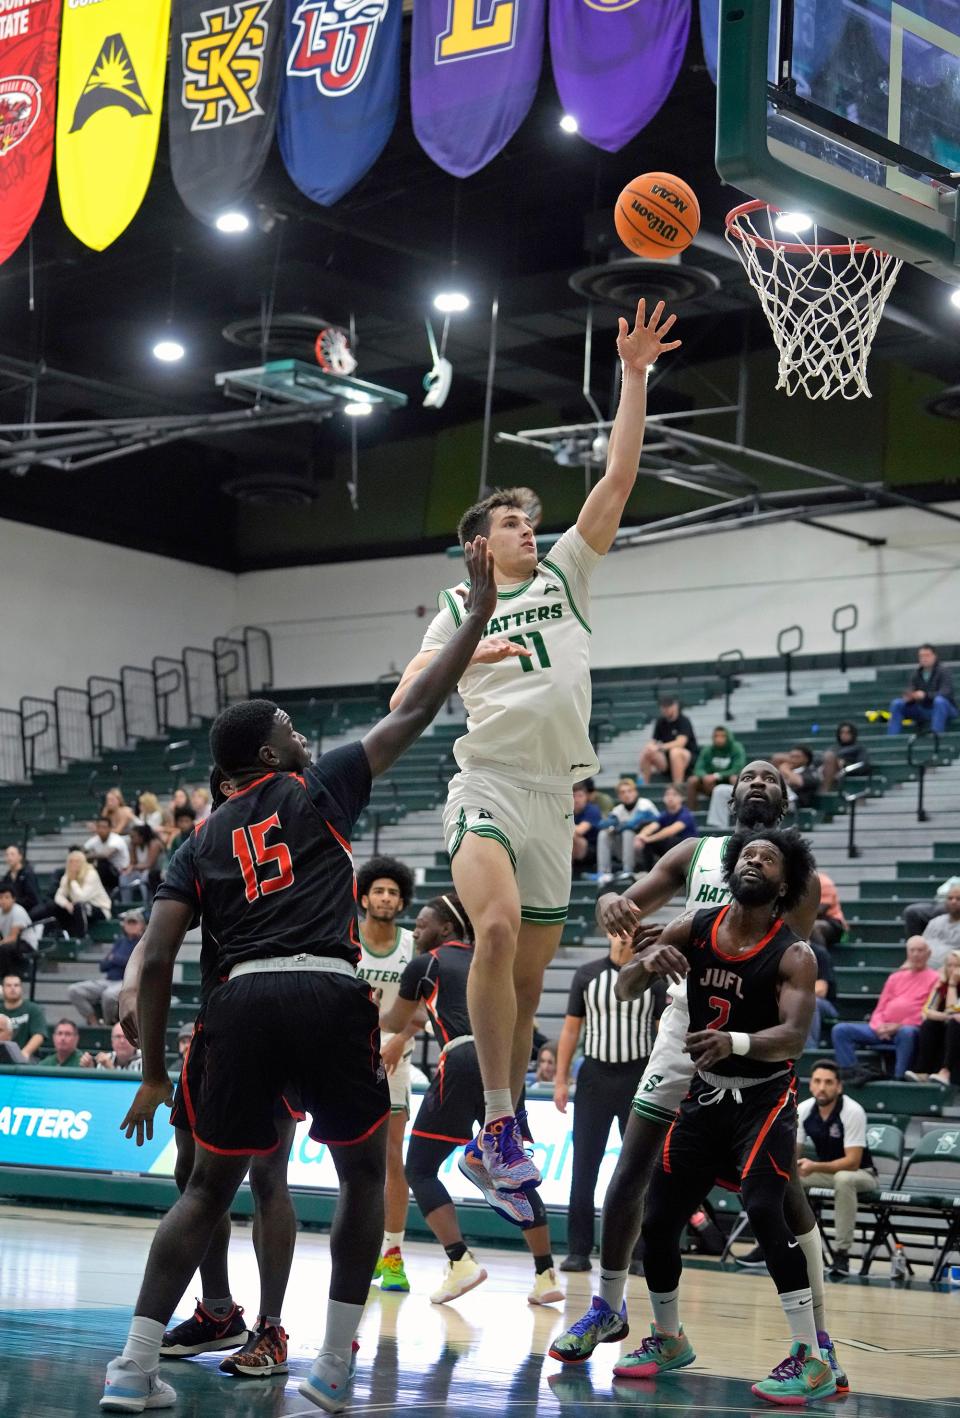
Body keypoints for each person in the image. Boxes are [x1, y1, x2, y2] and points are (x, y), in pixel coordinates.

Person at [100, 536, 500, 1415]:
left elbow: (158, 955)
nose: (299, 730)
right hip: (322, 987)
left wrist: (157, 1070)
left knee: (207, 1187)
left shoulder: (198, 842)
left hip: (236, 1002)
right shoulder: (317, 788)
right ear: (267, 753)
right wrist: (472, 620)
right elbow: (419, 710)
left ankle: (131, 1371)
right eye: (287, 725)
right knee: (362, 1174)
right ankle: (329, 1367)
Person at [388, 301, 681, 1203]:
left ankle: (491, 1140)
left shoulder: (563, 574)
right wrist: (472, 644)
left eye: (530, 522)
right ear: (482, 543)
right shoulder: (454, 603)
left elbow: (619, 478)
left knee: (523, 979)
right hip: (487, 783)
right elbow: (404, 698)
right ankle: (502, 1124)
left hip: (558, 798)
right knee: (500, 928)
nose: (529, 530)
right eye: (514, 523)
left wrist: (632, 376)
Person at [552, 762, 842, 1394]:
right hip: (684, 1027)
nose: (759, 781)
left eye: (772, 777)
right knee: (632, 1174)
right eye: (748, 775)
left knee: (779, 1196)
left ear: (786, 805)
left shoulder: (794, 876)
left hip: (749, 1036)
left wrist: (742, 1034)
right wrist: (610, 904)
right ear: (728, 794)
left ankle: (818, 1338)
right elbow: (628, 908)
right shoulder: (694, 850)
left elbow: (782, 961)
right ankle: (609, 1307)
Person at [120, 769, 300, 1381]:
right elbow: (161, 931)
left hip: (280, 1005)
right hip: (222, 1016)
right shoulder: (206, 842)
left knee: (267, 1174)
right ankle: (219, 1311)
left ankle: (271, 1328)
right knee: (193, 1172)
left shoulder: (299, 818)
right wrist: (129, 980)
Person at [381, 893, 564, 1307]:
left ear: (446, 929)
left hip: (463, 1057)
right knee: (510, 1171)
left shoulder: (426, 963)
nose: (416, 930)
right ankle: (545, 1274)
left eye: (424, 923)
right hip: (505, 1066)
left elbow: (394, 1021)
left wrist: (365, 1011)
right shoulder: (491, 962)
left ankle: (459, 1261)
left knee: (420, 1169)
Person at [555, 932, 665, 1274]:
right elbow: (572, 1029)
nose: (623, 938)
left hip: (637, 1076)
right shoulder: (586, 974)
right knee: (584, 1166)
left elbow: (664, 1032)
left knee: (639, 1168)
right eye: (617, 932)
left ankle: (639, 1252)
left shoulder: (653, 977)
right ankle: (578, 1249)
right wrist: (560, 1079)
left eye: (629, 932)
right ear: (606, 934)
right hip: (594, 1079)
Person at [355, 854, 418, 1295]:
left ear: (401, 902)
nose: (385, 897)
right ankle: (359, 1248)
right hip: (345, 1058)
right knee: (353, 1159)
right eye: (378, 890)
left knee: (392, 1156)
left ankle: (392, 1254)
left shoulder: (413, 944)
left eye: (393, 892)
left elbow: (428, 998)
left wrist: (398, 1037)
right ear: (363, 896)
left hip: (395, 1058)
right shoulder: (345, 936)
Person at [795, 1060, 877, 1278]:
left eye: (828, 1082)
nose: (822, 1087)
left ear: (839, 1086)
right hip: (826, 1173)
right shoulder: (803, 1109)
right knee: (787, 1181)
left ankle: (842, 1253)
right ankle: (785, 1243)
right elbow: (793, 1152)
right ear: (811, 1085)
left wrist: (814, 1166)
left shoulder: (852, 1111)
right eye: (817, 1081)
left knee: (844, 1178)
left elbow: (852, 1162)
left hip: (862, 1174)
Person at [831, 937, 939, 1083]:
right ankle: (850, 1072)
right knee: (841, 1030)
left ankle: (899, 1077)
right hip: (882, 1029)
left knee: (906, 1032)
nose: (916, 954)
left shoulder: (935, 978)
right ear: (907, 953)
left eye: (920, 950)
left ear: (928, 953)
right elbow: (881, 1007)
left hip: (909, 1029)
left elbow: (929, 1010)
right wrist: (879, 1026)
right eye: (912, 950)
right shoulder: (895, 977)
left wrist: (899, 1026)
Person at [68, 909, 145, 1025]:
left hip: (128, 983)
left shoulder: (144, 943)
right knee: (74, 990)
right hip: (108, 980)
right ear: (124, 925)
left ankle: (107, 1025)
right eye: (129, 922)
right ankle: (94, 1022)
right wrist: (120, 960)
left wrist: (115, 959)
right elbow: (103, 966)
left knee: (108, 995)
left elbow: (135, 966)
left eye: (134, 923)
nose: (131, 926)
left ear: (142, 925)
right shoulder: (120, 942)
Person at [905, 951, 960, 1087]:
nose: (952, 969)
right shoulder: (941, 984)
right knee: (929, 1024)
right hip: (948, 1023)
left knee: (954, 1023)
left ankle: (946, 1071)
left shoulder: (951, 985)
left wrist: (953, 985)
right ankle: (923, 1071)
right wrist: (943, 1016)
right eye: (949, 965)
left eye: (956, 966)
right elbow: (927, 1010)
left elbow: (953, 1009)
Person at [887, 643, 957, 736]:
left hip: (944, 709)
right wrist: (910, 697)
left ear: (934, 656)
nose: (924, 658)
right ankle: (892, 738)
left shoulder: (943, 671)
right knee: (897, 703)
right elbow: (910, 689)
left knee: (940, 701)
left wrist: (926, 695)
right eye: (921, 656)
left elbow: (946, 692)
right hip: (923, 709)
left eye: (927, 655)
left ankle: (936, 736)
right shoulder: (916, 674)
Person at [595, 778, 657, 883]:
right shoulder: (618, 809)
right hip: (627, 851)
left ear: (636, 792)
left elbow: (632, 823)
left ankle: (627, 870)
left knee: (627, 832)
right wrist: (613, 825)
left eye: (630, 791)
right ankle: (603, 872)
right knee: (603, 834)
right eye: (623, 792)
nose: (627, 795)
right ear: (619, 796)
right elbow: (602, 824)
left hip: (649, 851)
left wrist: (616, 826)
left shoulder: (645, 804)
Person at [638, 696, 698, 788]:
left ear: (675, 706)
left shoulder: (683, 721)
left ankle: (678, 787)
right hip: (666, 760)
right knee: (648, 751)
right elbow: (653, 741)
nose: (665, 709)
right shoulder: (660, 722)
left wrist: (660, 747)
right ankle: (644, 785)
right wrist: (649, 748)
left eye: (668, 706)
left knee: (675, 752)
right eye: (663, 707)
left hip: (687, 759)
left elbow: (680, 742)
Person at [634, 785, 698, 870]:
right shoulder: (665, 814)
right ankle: (648, 871)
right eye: (667, 794)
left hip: (689, 849)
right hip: (673, 849)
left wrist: (648, 839)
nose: (670, 797)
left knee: (670, 840)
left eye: (674, 795)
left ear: (681, 798)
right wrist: (641, 836)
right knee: (648, 838)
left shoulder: (686, 814)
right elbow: (652, 826)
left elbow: (671, 831)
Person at [53, 849, 111, 937]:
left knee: (79, 906)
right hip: (78, 908)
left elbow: (81, 898)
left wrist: (73, 881)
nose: (73, 864)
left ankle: (82, 936)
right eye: (71, 861)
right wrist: (66, 904)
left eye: (77, 861)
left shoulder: (91, 874)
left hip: (99, 909)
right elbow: (58, 896)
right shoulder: (67, 876)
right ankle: (63, 934)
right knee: (57, 906)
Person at [685, 725, 745, 810]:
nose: (719, 739)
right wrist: (704, 776)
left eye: (722, 736)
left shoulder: (736, 748)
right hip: (709, 785)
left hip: (727, 783)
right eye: (716, 736)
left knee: (734, 778)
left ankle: (738, 809)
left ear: (728, 737)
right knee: (692, 780)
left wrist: (716, 776)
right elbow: (698, 768)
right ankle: (692, 812)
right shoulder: (707, 750)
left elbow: (737, 768)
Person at [0, 972, 48, 1058]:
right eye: (8, 985)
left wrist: (25, 1053)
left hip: (28, 1059)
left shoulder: (33, 1009)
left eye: (16, 985)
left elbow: (39, 1035)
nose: (13, 988)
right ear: (2, 989)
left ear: (21, 988)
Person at [902, 871, 960, 940]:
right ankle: (916, 946)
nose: (953, 901)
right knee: (912, 912)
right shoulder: (954, 882)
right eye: (950, 898)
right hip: (940, 904)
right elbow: (942, 892)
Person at [117, 824, 164, 903]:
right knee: (123, 877)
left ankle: (146, 904)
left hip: (155, 873)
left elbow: (149, 864)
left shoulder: (154, 844)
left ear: (141, 837)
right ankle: (126, 904)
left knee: (144, 877)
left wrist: (133, 867)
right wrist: (127, 869)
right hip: (140, 871)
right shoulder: (133, 845)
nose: (131, 839)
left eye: (133, 837)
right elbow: (133, 862)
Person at [83, 817, 131, 894]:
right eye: (99, 827)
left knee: (102, 864)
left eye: (104, 827)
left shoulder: (116, 839)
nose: (101, 830)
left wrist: (86, 856)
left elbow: (105, 855)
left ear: (110, 828)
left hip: (120, 873)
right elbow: (81, 851)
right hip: (105, 872)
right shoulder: (95, 840)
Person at [0, 884, 39, 976]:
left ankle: (7, 976)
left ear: (13, 899)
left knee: (4, 948)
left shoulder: (18, 911)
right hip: (10, 943)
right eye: (1, 898)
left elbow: (13, 937)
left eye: (7, 897)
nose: (3, 901)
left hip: (26, 944)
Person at [807, 937, 838, 1049]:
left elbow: (821, 991)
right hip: (792, 1001)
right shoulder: (783, 952)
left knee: (810, 1001)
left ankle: (810, 1049)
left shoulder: (819, 953)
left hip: (826, 1005)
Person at [820, 722, 870, 791]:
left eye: (847, 733)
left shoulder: (859, 748)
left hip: (844, 773)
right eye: (842, 733)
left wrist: (845, 765)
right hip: (826, 770)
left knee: (829, 757)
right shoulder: (833, 748)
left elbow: (863, 765)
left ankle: (825, 791)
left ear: (853, 734)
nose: (844, 735)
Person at [921, 886, 960, 969]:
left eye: (958, 899)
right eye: (950, 898)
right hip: (923, 971)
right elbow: (920, 947)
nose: (953, 901)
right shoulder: (935, 922)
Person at [0, 843, 42, 914]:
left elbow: (32, 899)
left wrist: (12, 902)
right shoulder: (7, 876)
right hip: (12, 911)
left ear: (20, 856)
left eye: (12, 854)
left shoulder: (27, 873)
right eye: (7, 855)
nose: (9, 857)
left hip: (29, 911)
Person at [810, 871, 846, 953]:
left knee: (814, 927)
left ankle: (822, 961)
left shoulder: (824, 882)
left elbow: (820, 910)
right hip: (809, 920)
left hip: (832, 922)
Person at [775, 745, 820, 809]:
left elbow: (800, 782)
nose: (793, 759)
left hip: (797, 804)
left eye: (797, 757)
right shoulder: (787, 771)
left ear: (806, 759)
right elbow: (776, 757)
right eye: (791, 757)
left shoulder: (810, 771)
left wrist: (786, 770)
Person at [571, 781, 603, 871]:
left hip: (592, 850)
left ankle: (568, 871)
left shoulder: (593, 810)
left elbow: (580, 830)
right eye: (573, 796)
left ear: (586, 797)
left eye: (580, 796)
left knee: (572, 836)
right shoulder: (566, 811)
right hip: (572, 848)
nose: (576, 799)